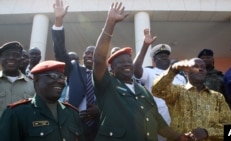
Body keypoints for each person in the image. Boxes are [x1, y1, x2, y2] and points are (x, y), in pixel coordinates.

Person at [93, 2, 206, 141]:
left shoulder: (144, 91)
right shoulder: (107, 85)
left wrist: (179, 137)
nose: (127, 64)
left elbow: (157, 120)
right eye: (121, 63)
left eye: (129, 61)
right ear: (112, 69)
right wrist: (110, 23)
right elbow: (98, 60)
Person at [152, 58, 231, 141]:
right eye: (195, 66)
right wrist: (173, 70)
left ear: (206, 72)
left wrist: (207, 132)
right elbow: (157, 90)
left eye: (203, 67)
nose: (200, 69)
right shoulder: (177, 92)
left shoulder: (218, 97)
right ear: (186, 72)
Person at [0, 60, 85, 141]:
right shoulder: (16, 114)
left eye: (62, 77)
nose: (59, 81)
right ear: (36, 80)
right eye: (53, 76)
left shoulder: (72, 113)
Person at [51, 1, 99, 141]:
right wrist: (59, 20)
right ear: (82, 56)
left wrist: (99, 110)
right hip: (73, 121)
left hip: (99, 124)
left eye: (94, 54)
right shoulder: (74, 69)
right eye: (87, 53)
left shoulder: (105, 75)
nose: (90, 55)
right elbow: (60, 52)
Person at [133, 28, 172, 141]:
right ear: (154, 60)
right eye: (160, 56)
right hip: (159, 124)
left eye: (166, 55)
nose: (164, 57)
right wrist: (145, 45)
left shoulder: (180, 76)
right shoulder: (149, 72)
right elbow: (135, 69)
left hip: (179, 123)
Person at [0, 41, 35, 116]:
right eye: (7, 55)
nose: (11, 58)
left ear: (21, 60)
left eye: (16, 55)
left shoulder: (32, 85)